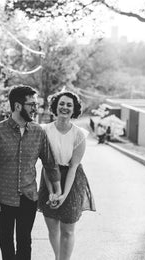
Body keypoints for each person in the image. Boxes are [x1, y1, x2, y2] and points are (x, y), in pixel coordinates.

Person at [0, 85, 62, 260]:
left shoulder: (38, 132)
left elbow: (50, 163)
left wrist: (57, 190)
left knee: (25, 241)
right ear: (18, 106)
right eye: (31, 104)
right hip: (3, 199)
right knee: (6, 239)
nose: (35, 108)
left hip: (29, 196)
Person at [38, 91, 96, 260]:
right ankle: (58, 257)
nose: (65, 107)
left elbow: (73, 167)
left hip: (72, 180)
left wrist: (63, 195)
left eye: (69, 105)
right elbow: (47, 165)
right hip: (49, 177)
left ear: (74, 109)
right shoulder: (44, 131)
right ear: (55, 107)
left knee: (68, 230)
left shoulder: (79, 135)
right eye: (62, 104)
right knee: (53, 229)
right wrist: (52, 191)